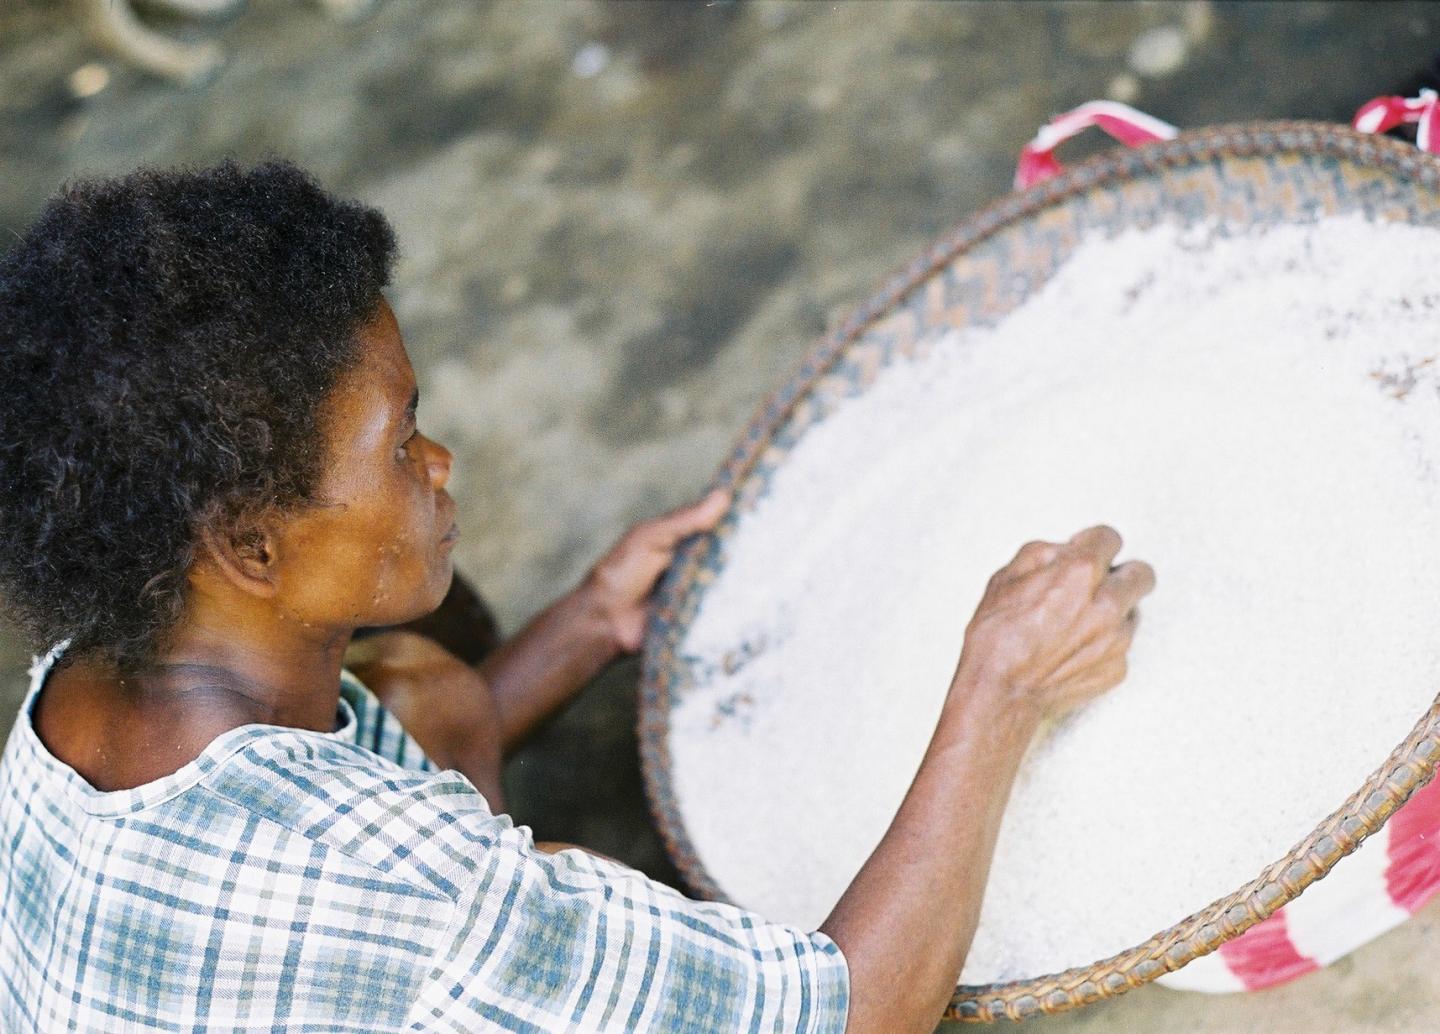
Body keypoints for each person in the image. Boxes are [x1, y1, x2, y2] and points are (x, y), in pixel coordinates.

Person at [0, 160, 1154, 1033]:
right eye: (401, 444)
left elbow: (389, 812)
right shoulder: (401, 882)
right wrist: (1000, 688)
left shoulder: (80, 701)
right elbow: (842, 1012)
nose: (441, 461)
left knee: (433, 695)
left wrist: (595, 617)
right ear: (253, 541)